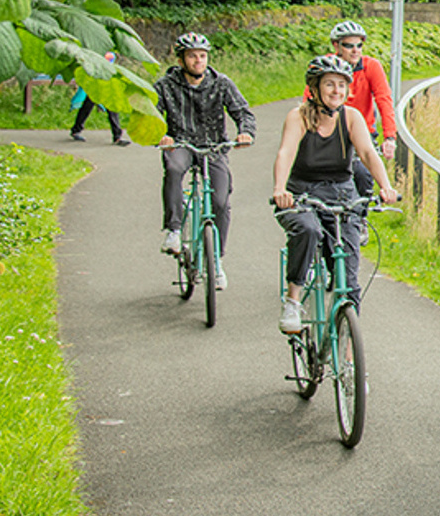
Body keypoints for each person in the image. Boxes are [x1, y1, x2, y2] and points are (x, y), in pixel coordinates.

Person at [273, 55, 399, 334]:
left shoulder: (351, 117)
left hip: (342, 195)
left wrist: (385, 186)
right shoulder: (298, 116)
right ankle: (293, 301)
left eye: (342, 85)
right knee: (308, 231)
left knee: (349, 277)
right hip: (302, 194)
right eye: (329, 84)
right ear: (314, 88)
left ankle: (349, 358)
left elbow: (367, 153)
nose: (336, 91)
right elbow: (286, 152)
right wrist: (280, 189)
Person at [156, 33, 255, 290]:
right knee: (174, 168)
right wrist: (161, 134)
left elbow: (242, 111)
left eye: (202, 55)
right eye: (192, 56)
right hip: (181, 143)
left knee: (221, 201)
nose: (198, 61)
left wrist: (246, 132)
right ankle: (174, 230)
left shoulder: (221, 83)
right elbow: (151, 110)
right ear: (180, 60)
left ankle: (217, 261)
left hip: (214, 147)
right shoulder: (166, 85)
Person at [70, 54, 130, 145]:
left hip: (107, 84)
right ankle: (76, 130)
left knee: (112, 109)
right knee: (87, 107)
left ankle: (117, 136)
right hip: (96, 84)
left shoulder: (111, 52)